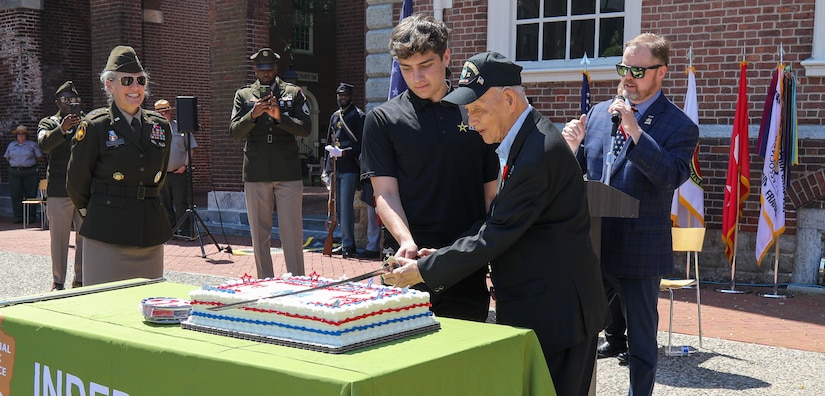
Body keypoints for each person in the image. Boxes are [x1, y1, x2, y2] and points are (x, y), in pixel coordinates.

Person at [383, 51, 609, 396]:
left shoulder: (538, 153)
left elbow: (495, 235)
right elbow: (499, 220)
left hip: (559, 316)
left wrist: (423, 273)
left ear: (508, 99)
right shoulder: (525, 141)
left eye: (477, 110)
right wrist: (439, 255)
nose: (470, 121)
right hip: (545, 309)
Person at [562, 33, 699, 395]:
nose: (628, 76)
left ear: (661, 73)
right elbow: (573, 177)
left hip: (639, 250)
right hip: (592, 244)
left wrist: (635, 131)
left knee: (640, 343)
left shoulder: (679, 125)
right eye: (624, 67)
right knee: (579, 330)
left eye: (638, 69)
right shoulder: (596, 114)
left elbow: (670, 175)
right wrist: (569, 148)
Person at [361, 14, 499, 322]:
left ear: (447, 56)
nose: (417, 77)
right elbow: (384, 193)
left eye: (426, 65)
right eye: (406, 69)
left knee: (464, 359)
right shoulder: (383, 120)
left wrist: (490, 253)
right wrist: (406, 241)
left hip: (465, 259)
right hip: (407, 262)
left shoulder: (475, 111)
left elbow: (491, 195)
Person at [66, 45, 173, 286]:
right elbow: (76, 181)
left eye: (140, 80)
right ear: (109, 85)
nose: (135, 88)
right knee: (104, 310)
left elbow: (159, 176)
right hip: (107, 231)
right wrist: (91, 212)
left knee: (147, 310)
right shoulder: (95, 126)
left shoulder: (160, 126)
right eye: (127, 81)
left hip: (150, 231)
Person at [229, 47, 311, 278]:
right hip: (256, 171)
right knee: (259, 234)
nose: (265, 73)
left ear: (276, 68)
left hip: (287, 171)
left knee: (292, 232)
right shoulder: (243, 95)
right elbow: (234, 132)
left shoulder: (293, 93)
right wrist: (252, 115)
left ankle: (297, 281)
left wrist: (280, 118)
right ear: (255, 69)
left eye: (270, 68)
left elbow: (305, 129)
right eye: (261, 69)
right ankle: (264, 281)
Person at [37, 81, 84, 290]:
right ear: (57, 102)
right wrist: (62, 129)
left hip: (83, 190)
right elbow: (44, 145)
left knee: (85, 237)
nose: (70, 103)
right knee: (59, 239)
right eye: (66, 99)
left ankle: (81, 278)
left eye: (74, 100)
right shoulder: (48, 123)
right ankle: (58, 281)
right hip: (59, 190)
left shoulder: (87, 122)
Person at [323, 82, 365, 258]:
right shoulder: (334, 117)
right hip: (335, 167)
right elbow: (328, 142)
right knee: (337, 208)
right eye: (340, 95)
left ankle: (348, 244)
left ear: (351, 96)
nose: (342, 98)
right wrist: (326, 171)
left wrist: (344, 152)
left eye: (345, 95)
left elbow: (361, 144)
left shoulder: (358, 116)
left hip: (349, 167)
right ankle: (344, 240)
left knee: (346, 207)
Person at [154, 99, 198, 237]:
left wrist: (185, 166)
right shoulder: (153, 130)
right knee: (164, 204)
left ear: (170, 112)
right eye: (160, 113)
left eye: (165, 112)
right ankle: (170, 231)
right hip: (161, 175)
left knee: (180, 203)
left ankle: (185, 231)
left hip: (179, 173)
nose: (163, 115)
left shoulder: (181, 128)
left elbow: (190, 149)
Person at [4, 125, 42, 224]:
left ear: (26, 135)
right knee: (16, 194)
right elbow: (7, 157)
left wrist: (28, 164)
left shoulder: (32, 145)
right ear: (16, 135)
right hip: (15, 171)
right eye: (19, 134)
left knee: (31, 193)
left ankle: (31, 216)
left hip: (29, 171)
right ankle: (18, 216)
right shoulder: (12, 145)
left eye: (23, 134)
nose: (21, 136)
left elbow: (39, 157)